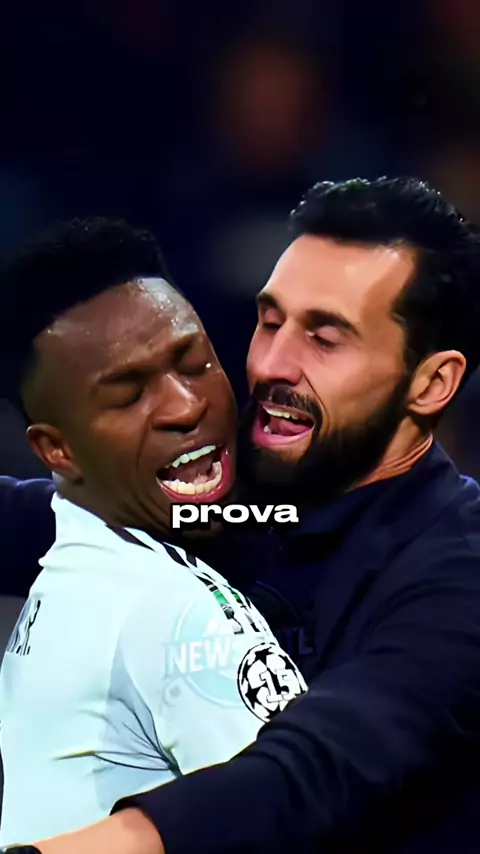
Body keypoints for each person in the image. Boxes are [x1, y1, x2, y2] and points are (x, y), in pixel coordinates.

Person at [2, 176, 480, 854]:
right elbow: (33, 517)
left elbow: (310, 776)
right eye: (270, 321)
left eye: (325, 338)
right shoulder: (218, 495)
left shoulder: (457, 572)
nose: (271, 365)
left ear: (431, 383)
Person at [0, 218, 307, 846]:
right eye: (128, 395)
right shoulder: (182, 611)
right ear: (58, 450)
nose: (185, 406)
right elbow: (308, 817)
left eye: (195, 364)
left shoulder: (76, 562)